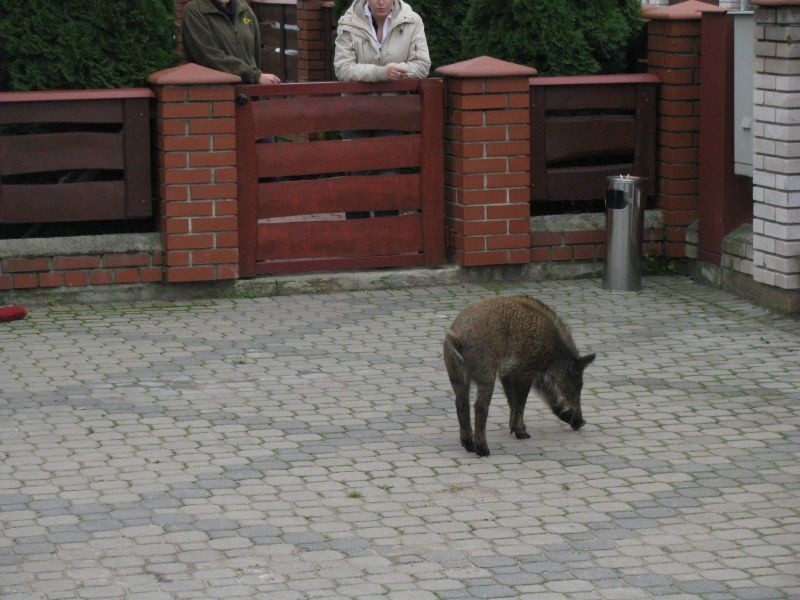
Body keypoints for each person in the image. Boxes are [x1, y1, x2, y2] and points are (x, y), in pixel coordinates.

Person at [334, 0, 431, 218]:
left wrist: (400, 71)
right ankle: (358, 238)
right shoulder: (348, 22)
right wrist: (382, 73)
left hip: (393, 111)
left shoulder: (412, 21)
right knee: (356, 173)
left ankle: (389, 238)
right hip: (354, 112)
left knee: (389, 175)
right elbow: (343, 69)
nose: (381, 2)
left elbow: (423, 65)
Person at [182, 0, 281, 85]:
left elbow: (254, 53)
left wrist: (253, 79)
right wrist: (253, 76)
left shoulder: (245, 9)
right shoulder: (195, 11)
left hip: (247, 92)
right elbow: (209, 56)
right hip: (216, 94)